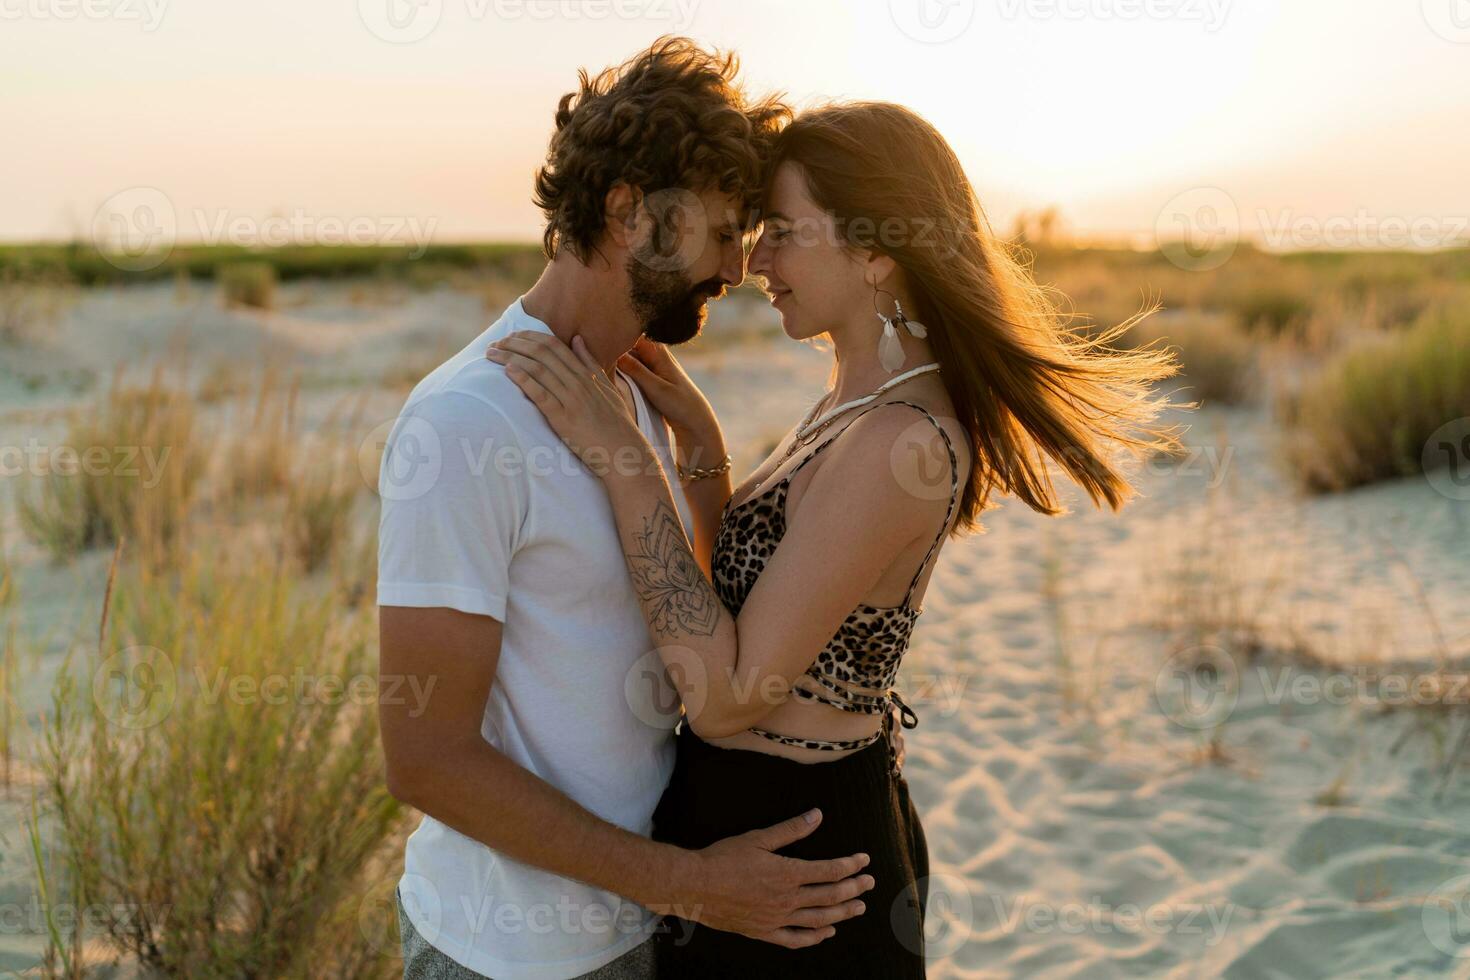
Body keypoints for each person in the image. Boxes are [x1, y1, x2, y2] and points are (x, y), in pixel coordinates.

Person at [488, 100, 1183, 977]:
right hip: (757, 834)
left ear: (876, 250)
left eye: (780, 231)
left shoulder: (901, 442)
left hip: (799, 865)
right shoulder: (851, 405)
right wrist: (703, 458)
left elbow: (729, 692)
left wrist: (626, 466)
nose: (753, 262)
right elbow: (736, 607)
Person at [377, 39, 875, 980]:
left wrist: (699, 457)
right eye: (723, 231)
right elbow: (425, 760)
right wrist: (688, 883)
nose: (737, 266)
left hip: (639, 934)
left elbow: (698, 629)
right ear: (625, 211)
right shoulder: (462, 423)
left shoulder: (630, 393)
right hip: (503, 957)